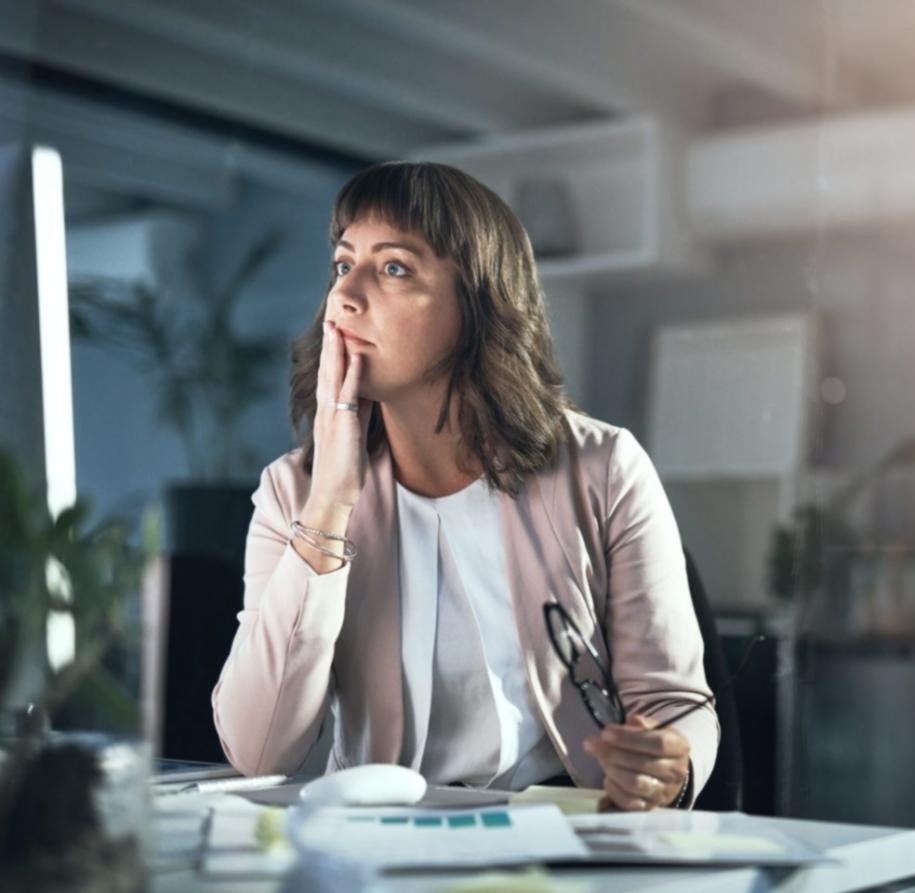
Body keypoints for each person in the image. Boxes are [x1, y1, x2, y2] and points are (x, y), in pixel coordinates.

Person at [212, 161, 717, 810]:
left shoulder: (603, 468)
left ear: (476, 305)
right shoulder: (294, 492)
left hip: (566, 839)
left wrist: (667, 765)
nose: (345, 295)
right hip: (378, 849)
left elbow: (676, 706)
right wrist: (330, 505)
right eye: (343, 265)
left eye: (393, 268)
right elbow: (257, 751)